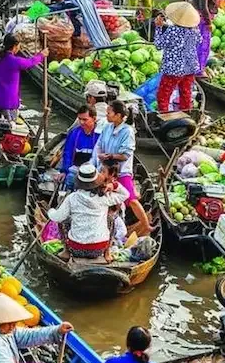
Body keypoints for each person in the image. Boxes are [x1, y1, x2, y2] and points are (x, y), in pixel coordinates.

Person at [48, 162, 129, 261]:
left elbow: (57, 217)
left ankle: (66, 252)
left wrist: (51, 211)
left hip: (75, 248)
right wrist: (115, 186)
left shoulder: (72, 198)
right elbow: (125, 194)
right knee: (110, 219)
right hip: (99, 249)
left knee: (64, 220)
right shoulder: (104, 197)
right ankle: (107, 253)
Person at [92, 100, 151, 235]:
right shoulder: (107, 127)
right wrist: (101, 155)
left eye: (109, 113)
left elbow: (126, 155)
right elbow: (99, 144)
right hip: (106, 167)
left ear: (118, 115)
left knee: (130, 199)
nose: (106, 115)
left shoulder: (127, 131)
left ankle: (146, 225)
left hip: (122, 169)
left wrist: (111, 156)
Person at [0, 35, 45, 161]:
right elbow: (31, 62)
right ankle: (11, 156)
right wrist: (42, 55)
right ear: (15, 47)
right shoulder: (16, 62)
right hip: (9, 103)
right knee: (11, 131)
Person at [153, 2, 202, 112]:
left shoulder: (173, 31)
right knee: (186, 93)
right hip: (190, 68)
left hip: (174, 69)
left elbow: (158, 45)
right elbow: (199, 41)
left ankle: (164, 116)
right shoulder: (195, 30)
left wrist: (158, 28)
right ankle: (186, 113)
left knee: (163, 95)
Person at [57, 105, 100, 188]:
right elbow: (68, 153)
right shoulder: (74, 133)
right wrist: (64, 171)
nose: (81, 122)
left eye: (85, 119)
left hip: (94, 171)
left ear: (94, 119)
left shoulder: (100, 134)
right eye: (79, 119)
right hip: (76, 169)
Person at [191, 0, 220, 72]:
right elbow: (203, 4)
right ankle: (198, 70)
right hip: (202, 18)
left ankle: (198, 67)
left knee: (201, 43)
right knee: (203, 44)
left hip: (202, 16)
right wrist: (208, 21)